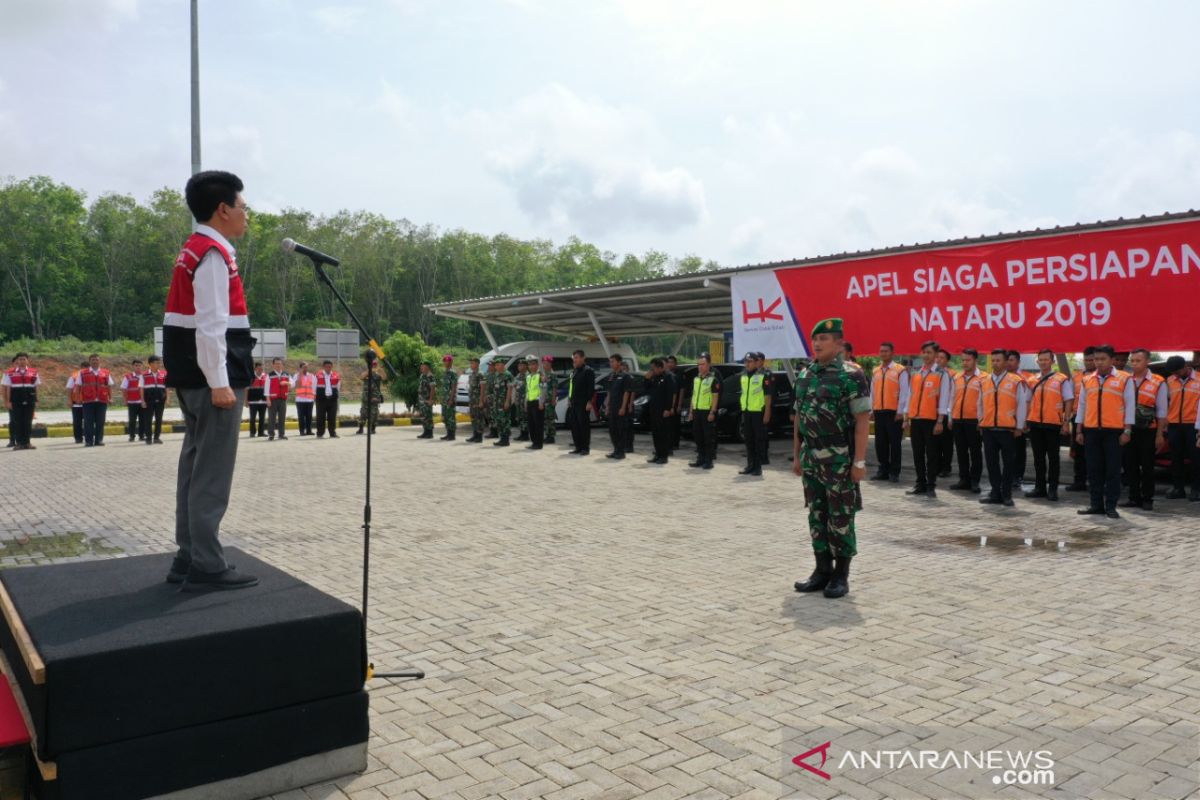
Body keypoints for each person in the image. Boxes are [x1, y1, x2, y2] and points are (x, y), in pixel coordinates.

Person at [162, 169, 258, 590]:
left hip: (191, 375)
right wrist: (220, 382)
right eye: (242, 207)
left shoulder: (193, 248)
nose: (246, 215)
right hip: (211, 377)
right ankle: (206, 564)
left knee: (194, 466)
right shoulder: (214, 254)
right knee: (212, 473)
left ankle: (188, 555)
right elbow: (212, 324)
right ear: (223, 210)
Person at [792, 318, 870, 599]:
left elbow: (862, 422)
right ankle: (821, 570)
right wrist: (797, 454)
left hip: (839, 458)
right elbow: (799, 417)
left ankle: (841, 575)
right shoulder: (805, 374)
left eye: (824, 339)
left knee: (840, 517)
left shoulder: (852, 375)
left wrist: (859, 462)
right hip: (811, 456)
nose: (817, 344)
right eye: (815, 339)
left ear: (838, 343)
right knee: (817, 515)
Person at [1075, 344, 1135, 519]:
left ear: (1112, 360)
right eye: (1096, 359)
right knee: (1093, 470)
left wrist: (1127, 430)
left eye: (1103, 359)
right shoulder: (1087, 379)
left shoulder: (1125, 379)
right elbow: (1082, 406)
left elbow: (1129, 405)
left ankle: (1111, 506)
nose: (1098, 362)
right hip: (1092, 430)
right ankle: (1096, 505)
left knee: (1112, 471)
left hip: (1114, 431)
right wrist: (1079, 429)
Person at [978, 349, 1028, 507]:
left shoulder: (1016, 381)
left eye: (998, 360)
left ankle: (1007, 494)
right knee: (992, 463)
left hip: (1008, 429)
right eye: (993, 360)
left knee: (1008, 464)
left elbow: (1021, 405)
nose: (995, 363)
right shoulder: (984, 380)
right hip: (988, 429)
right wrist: (980, 421)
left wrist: (1019, 426)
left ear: (1006, 362)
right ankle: (995, 493)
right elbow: (979, 403)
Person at [902, 341, 951, 498]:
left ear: (936, 355)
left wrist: (939, 421)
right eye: (924, 352)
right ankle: (920, 483)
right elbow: (910, 395)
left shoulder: (942, 374)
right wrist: (906, 416)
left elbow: (944, 398)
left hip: (931, 419)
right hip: (916, 419)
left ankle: (931, 485)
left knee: (932, 454)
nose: (926, 355)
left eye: (929, 352)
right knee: (917, 453)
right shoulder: (916, 372)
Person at [1023, 349, 1073, 501]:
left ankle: (1053, 489)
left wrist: (1066, 422)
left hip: (1053, 423)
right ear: (1037, 361)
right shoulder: (1032, 380)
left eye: (1046, 359)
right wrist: (1025, 420)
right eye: (1041, 359)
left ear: (1053, 361)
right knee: (1038, 458)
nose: (1043, 362)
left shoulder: (1061, 379)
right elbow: (1027, 401)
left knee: (1053, 458)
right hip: (1035, 423)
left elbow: (1069, 400)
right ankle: (1039, 487)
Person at [1123, 349, 1167, 511]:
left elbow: (1162, 411)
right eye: (1132, 360)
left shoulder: (1158, 381)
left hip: (1148, 430)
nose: (1134, 363)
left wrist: (1159, 434)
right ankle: (1134, 497)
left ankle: (1148, 498)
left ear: (1147, 361)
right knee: (1130, 465)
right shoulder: (1125, 379)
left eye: (1138, 360)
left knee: (1147, 466)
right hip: (1128, 428)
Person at [869, 341, 909, 482]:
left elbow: (905, 392)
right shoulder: (876, 370)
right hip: (879, 411)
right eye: (881, 351)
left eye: (886, 351)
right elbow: (872, 391)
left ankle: (894, 472)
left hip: (894, 413)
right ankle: (883, 470)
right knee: (880, 443)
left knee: (895, 443)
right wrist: (871, 408)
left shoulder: (900, 370)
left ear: (892, 353)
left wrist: (901, 411)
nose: (883, 354)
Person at [1164, 355, 1200, 501]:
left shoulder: (1199, 379)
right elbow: (1166, 402)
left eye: (1177, 371)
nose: (1175, 375)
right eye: (1173, 373)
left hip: (1193, 424)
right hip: (1174, 425)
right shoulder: (1170, 381)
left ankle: (1196, 489)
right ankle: (1178, 488)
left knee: (1196, 458)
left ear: (1186, 366)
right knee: (1175, 458)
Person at [948, 349, 983, 493]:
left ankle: (975, 481)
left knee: (975, 452)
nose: (964, 363)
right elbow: (951, 398)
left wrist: (982, 420)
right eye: (962, 360)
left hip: (974, 421)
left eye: (967, 360)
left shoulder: (983, 378)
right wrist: (950, 417)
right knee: (961, 451)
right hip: (957, 419)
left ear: (975, 360)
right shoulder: (956, 377)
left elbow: (985, 402)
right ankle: (964, 479)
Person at [1065, 347, 1097, 492]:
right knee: (1079, 452)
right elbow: (1070, 398)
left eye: (1092, 360)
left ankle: (1095, 481)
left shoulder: (1100, 377)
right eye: (1086, 360)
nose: (1089, 363)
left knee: (1095, 452)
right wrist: (1068, 418)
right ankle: (1079, 481)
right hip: (1078, 418)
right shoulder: (1076, 377)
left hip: (1096, 419)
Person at [738, 352, 771, 476]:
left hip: (758, 412)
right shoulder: (744, 376)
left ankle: (758, 467)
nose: (747, 363)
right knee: (749, 440)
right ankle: (750, 465)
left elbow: (768, 396)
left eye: (750, 361)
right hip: (746, 412)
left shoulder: (763, 375)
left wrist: (767, 412)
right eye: (746, 361)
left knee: (758, 441)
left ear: (756, 362)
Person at [2, 353, 40, 450]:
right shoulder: (9, 373)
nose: (22, 361)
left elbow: (35, 387)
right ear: (17, 361)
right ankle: (19, 443)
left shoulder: (34, 372)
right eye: (20, 359)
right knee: (17, 421)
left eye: (24, 359)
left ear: (27, 360)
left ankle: (27, 442)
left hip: (29, 398)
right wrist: (8, 401)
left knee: (28, 421)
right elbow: (8, 388)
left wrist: (36, 399)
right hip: (16, 399)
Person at [689, 352, 720, 470]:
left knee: (708, 438)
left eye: (703, 364)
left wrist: (713, 412)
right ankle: (700, 459)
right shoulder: (696, 379)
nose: (700, 366)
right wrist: (691, 411)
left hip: (707, 412)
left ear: (709, 365)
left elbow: (715, 397)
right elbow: (694, 395)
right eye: (698, 364)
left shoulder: (713, 379)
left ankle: (709, 461)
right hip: (697, 411)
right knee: (698, 437)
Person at [1004, 350, 1029, 486]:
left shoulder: (1024, 379)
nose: (1009, 363)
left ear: (1018, 362)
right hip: (1003, 421)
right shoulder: (1001, 377)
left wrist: (1023, 420)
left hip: (1019, 420)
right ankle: (1007, 475)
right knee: (1007, 450)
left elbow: (1026, 401)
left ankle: (1017, 476)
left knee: (1019, 450)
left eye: (1012, 360)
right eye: (1007, 360)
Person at [80, 353, 114, 447]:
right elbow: (78, 386)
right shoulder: (83, 373)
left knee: (100, 421)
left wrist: (110, 398)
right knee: (88, 422)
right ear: (89, 361)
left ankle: (99, 440)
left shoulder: (106, 373)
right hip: (88, 400)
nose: (95, 361)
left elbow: (109, 386)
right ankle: (88, 441)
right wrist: (78, 398)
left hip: (102, 400)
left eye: (96, 360)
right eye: (93, 360)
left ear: (100, 361)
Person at [645, 357, 673, 464]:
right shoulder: (654, 377)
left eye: (654, 368)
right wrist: (646, 379)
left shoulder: (668, 377)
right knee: (656, 434)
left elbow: (670, 394)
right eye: (651, 368)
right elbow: (646, 389)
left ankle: (664, 456)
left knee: (663, 434)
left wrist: (668, 408)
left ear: (661, 367)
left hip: (663, 410)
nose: (652, 370)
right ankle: (657, 454)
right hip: (654, 409)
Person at [934, 348, 957, 477]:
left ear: (947, 360)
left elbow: (952, 396)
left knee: (946, 442)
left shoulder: (952, 374)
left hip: (947, 412)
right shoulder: (931, 373)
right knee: (934, 442)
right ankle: (936, 466)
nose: (938, 360)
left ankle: (946, 467)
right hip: (932, 412)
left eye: (942, 358)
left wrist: (950, 416)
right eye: (937, 357)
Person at [604, 353, 632, 460]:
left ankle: (621, 452)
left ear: (619, 362)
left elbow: (626, 393)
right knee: (612, 430)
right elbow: (610, 392)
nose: (611, 363)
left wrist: (623, 407)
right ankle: (616, 450)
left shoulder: (625, 376)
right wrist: (607, 406)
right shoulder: (612, 376)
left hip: (620, 407)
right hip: (612, 407)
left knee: (620, 430)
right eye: (610, 361)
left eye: (613, 361)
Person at [567, 350, 594, 455]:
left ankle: (585, 448)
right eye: (574, 357)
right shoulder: (574, 371)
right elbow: (571, 387)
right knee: (574, 425)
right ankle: (578, 447)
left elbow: (591, 388)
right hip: (574, 402)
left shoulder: (588, 371)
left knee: (583, 426)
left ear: (583, 358)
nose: (575, 359)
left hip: (583, 402)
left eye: (577, 357)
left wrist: (589, 402)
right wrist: (569, 399)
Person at [140, 355, 169, 444]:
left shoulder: (164, 374)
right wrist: (142, 400)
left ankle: (156, 437)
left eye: (159, 362)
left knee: (159, 419)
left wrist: (167, 399)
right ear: (150, 364)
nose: (159, 364)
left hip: (160, 400)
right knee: (148, 419)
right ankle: (148, 438)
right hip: (148, 401)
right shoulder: (144, 375)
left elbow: (166, 388)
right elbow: (141, 388)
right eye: (157, 362)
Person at [265, 357, 290, 440]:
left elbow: (292, 384)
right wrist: (267, 399)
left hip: (283, 399)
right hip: (273, 399)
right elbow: (266, 388)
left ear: (282, 364)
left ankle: (281, 434)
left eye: (279, 363)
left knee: (282, 417)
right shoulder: (270, 375)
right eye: (276, 364)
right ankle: (271, 434)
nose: (278, 365)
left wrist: (286, 382)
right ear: (273, 365)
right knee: (272, 417)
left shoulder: (286, 374)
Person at [490, 359, 513, 447]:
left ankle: (505, 440)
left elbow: (510, 389)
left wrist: (507, 401)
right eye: (496, 365)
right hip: (497, 402)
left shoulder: (507, 375)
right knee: (499, 420)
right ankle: (501, 438)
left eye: (499, 364)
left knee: (505, 420)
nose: (497, 366)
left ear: (503, 365)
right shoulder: (497, 375)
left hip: (504, 402)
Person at [122, 359, 146, 442]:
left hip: (142, 403)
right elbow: (124, 389)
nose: (138, 367)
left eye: (139, 365)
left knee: (143, 420)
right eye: (136, 365)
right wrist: (125, 400)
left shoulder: (145, 376)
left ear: (142, 366)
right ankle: (131, 436)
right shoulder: (127, 377)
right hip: (132, 402)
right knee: (132, 420)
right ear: (133, 366)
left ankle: (142, 435)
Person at [522, 355, 544, 449]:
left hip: (537, 402)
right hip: (530, 402)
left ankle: (539, 444)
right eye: (529, 365)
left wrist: (541, 402)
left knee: (538, 424)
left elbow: (544, 390)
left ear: (537, 365)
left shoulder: (541, 376)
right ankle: (534, 442)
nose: (531, 366)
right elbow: (528, 390)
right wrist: (525, 402)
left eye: (533, 364)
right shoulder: (528, 377)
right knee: (531, 424)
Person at [315, 359, 340, 438]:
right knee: (320, 417)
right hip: (321, 399)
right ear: (323, 367)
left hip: (332, 399)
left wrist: (335, 395)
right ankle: (320, 433)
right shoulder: (318, 375)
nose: (328, 368)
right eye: (327, 367)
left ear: (332, 367)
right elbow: (313, 387)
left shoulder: (336, 375)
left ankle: (332, 433)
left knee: (332, 417)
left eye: (330, 367)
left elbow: (338, 387)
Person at [357, 361, 383, 434]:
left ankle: (373, 429)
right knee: (363, 414)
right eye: (372, 365)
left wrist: (380, 370)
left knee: (374, 414)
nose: (373, 366)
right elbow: (361, 377)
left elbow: (384, 378)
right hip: (366, 398)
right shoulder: (366, 373)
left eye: (375, 365)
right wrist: (369, 370)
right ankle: (361, 428)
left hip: (375, 397)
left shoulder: (377, 375)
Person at [66, 360, 87, 444]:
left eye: (86, 369)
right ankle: (78, 438)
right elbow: (69, 389)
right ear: (80, 368)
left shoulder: (90, 376)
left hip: (87, 403)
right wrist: (69, 400)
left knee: (88, 422)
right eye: (83, 369)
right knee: (77, 422)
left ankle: (88, 437)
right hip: (76, 403)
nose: (84, 371)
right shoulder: (74, 376)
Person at [293, 361, 316, 436]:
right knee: (301, 416)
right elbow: (296, 386)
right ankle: (302, 431)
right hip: (300, 399)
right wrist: (300, 374)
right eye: (304, 367)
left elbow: (314, 386)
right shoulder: (296, 376)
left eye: (306, 367)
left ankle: (309, 430)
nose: (306, 368)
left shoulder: (311, 376)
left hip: (310, 399)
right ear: (300, 368)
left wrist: (314, 396)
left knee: (309, 416)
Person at [666, 355, 683, 452]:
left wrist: (679, 405)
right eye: (668, 362)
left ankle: (675, 443)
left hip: (676, 404)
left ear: (675, 364)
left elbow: (681, 390)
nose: (670, 364)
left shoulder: (679, 374)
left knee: (675, 425)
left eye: (672, 362)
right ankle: (668, 443)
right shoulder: (666, 374)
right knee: (668, 424)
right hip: (667, 404)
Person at [439, 354, 458, 441]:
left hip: (450, 398)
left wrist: (451, 399)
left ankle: (452, 435)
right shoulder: (444, 373)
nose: (446, 363)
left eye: (448, 361)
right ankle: (448, 433)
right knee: (445, 416)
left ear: (451, 362)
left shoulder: (452, 373)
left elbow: (454, 387)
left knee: (451, 417)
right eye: (445, 361)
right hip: (444, 399)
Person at [540, 356, 558, 445]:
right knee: (546, 418)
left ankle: (551, 436)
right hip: (545, 400)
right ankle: (547, 435)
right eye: (543, 363)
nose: (544, 365)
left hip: (550, 399)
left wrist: (553, 399)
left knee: (550, 418)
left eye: (546, 364)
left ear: (550, 364)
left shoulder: (552, 374)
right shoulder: (544, 374)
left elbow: (555, 388)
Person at [247, 363, 268, 437]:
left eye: (262, 369)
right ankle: (252, 432)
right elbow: (247, 389)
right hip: (253, 401)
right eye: (259, 368)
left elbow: (268, 389)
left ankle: (261, 432)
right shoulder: (251, 377)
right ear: (255, 369)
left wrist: (268, 400)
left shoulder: (266, 376)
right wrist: (246, 401)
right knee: (252, 418)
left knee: (262, 418)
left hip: (263, 401)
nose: (260, 370)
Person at [466, 357, 484, 443]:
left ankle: (479, 436)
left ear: (477, 364)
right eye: (471, 363)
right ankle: (475, 434)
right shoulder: (472, 374)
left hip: (477, 400)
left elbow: (483, 388)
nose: (471, 365)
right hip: (472, 400)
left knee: (479, 418)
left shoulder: (480, 374)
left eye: (472, 363)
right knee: (473, 417)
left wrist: (481, 401)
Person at [416, 360, 436, 439]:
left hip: (427, 400)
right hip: (422, 400)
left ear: (427, 367)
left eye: (423, 366)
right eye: (421, 366)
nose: (421, 368)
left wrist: (431, 399)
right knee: (424, 416)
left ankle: (430, 433)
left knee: (428, 416)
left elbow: (433, 389)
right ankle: (425, 432)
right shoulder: (422, 376)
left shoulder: (430, 376)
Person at [484, 358, 499, 438]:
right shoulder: (487, 375)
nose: (489, 367)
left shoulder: (497, 376)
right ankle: (491, 431)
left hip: (494, 399)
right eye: (489, 365)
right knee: (489, 416)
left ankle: (495, 432)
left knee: (494, 416)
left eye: (491, 365)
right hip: (488, 398)